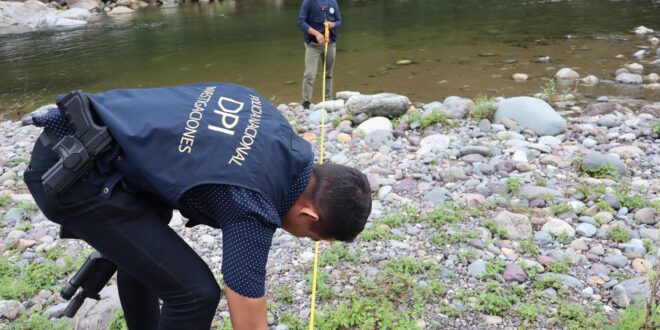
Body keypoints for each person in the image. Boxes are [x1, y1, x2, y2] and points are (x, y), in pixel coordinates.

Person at [24, 82, 372, 330]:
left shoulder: (269, 116)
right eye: (311, 237)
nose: (302, 239)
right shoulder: (252, 201)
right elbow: (249, 322)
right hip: (71, 174)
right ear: (309, 215)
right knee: (195, 295)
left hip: (91, 140)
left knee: (150, 252)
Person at [297, 0, 342, 110]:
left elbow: (339, 21)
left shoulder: (332, 2)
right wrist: (316, 33)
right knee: (309, 75)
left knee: (328, 73)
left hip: (330, 44)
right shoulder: (308, 2)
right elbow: (301, 22)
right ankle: (306, 102)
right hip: (313, 46)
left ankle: (328, 99)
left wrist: (333, 24)